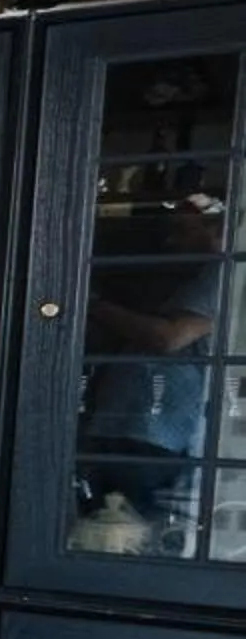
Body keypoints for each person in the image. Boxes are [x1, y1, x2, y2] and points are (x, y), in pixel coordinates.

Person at [78, 190, 228, 545]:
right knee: (109, 525)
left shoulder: (222, 275)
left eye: (183, 230)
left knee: (115, 531)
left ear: (218, 227)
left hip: (150, 429)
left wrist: (91, 303)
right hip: (135, 426)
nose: (173, 240)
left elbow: (168, 338)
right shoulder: (203, 276)